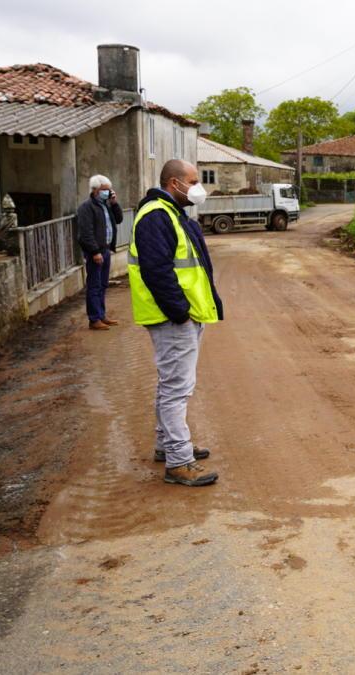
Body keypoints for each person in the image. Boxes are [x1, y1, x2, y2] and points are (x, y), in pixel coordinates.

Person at [129, 159, 224, 487]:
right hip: (171, 319)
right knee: (176, 389)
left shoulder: (171, 213)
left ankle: (166, 447)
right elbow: (157, 271)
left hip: (177, 317)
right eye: (194, 181)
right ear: (174, 183)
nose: (199, 187)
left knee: (170, 385)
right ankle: (179, 462)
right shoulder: (156, 216)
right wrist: (180, 312)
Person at [76, 175, 123, 330]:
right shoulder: (86, 208)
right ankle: (94, 319)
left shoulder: (106, 206)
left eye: (109, 190)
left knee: (102, 285)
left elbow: (119, 219)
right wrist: (95, 252)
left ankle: (101, 315)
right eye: (104, 190)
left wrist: (114, 204)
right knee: (94, 286)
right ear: (95, 190)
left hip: (106, 249)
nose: (107, 192)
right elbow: (86, 233)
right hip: (95, 252)